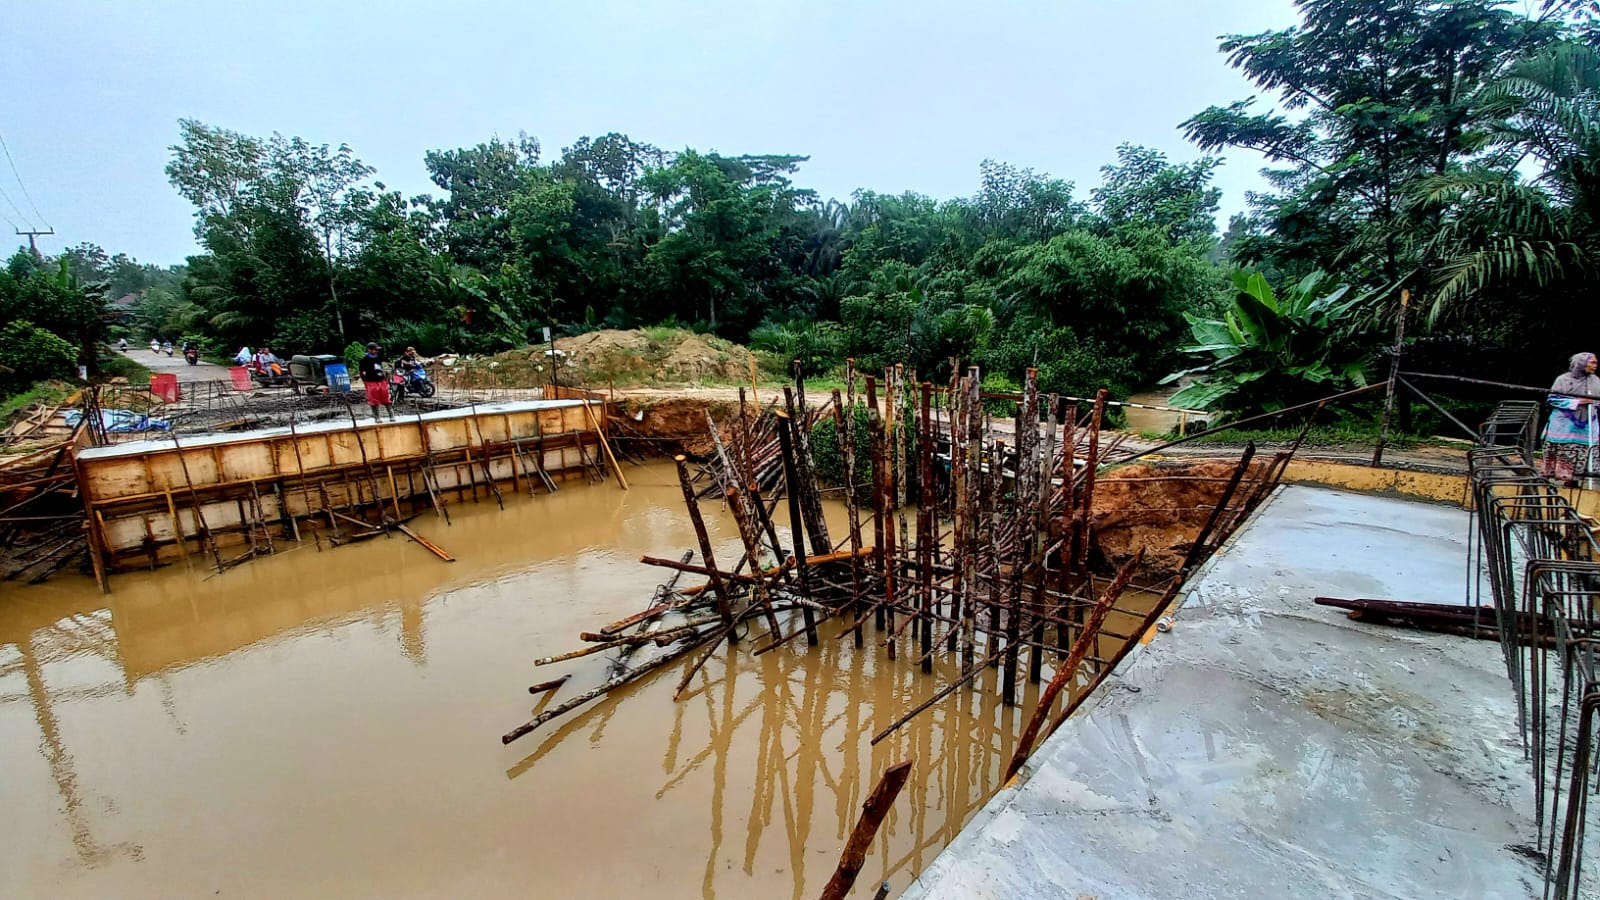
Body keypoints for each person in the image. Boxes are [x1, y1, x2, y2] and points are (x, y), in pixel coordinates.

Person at [1542, 352, 1600, 484]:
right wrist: (1578, 402)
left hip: (1587, 424)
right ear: (1581, 363)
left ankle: (1574, 481)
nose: (1595, 365)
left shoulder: (1595, 381)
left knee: (1584, 451)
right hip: (1565, 424)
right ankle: (1552, 481)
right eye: (1592, 362)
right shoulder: (1563, 380)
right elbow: (1553, 399)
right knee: (1565, 451)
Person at [358, 341, 395, 421]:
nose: (377, 351)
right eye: (375, 350)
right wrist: (366, 381)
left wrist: (386, 378)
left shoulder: (379, 358)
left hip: (381, 380)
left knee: (385, 397)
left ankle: (391, 414)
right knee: (373, 398)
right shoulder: (364, 360)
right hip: (371, 381)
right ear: (369, 350)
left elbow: (383, 368)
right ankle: (377, 417)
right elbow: (361, 372)